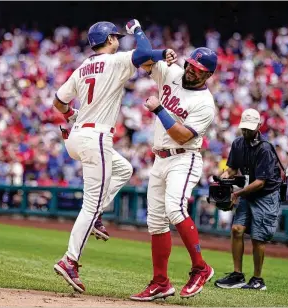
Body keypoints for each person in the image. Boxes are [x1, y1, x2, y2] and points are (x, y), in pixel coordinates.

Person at [53, 19, 177, 293]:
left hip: (76, 136)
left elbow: (58, 101)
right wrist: (138, 30)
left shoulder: (82, 67)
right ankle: (70, 260)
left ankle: (96, 215)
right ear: (109, 39)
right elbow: (143, 54)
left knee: (123, 170)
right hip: (95, 137)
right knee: (90, 204)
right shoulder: (116, 61)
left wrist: (71, 115)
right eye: (116, 36)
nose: (119, 39)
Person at [130, 46, 217, 301]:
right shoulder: (174, 73)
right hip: (160, 158)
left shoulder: (205, 104)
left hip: (184, 157)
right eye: (190, 64)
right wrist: (160, 53)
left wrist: (159, 110)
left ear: (208, 74)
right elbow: (141, 58)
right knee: (156, 222)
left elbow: (180, 134)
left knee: (175, 209)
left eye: (198, 70)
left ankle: (201, 268)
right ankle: (160, 283)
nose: (191, 71)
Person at [214, 108, 282, 291]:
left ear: (259, 126)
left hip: (265, 195)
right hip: (247, 191)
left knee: (258, 238)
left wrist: (236, 194)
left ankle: (258, 280)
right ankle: (237, 275)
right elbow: (233, 169)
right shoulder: (237, 144)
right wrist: (224, 177)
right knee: (237, 229)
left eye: (250, 129)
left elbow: (260, 183)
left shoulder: (265, 148)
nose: (246, 132)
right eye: (244, 129)